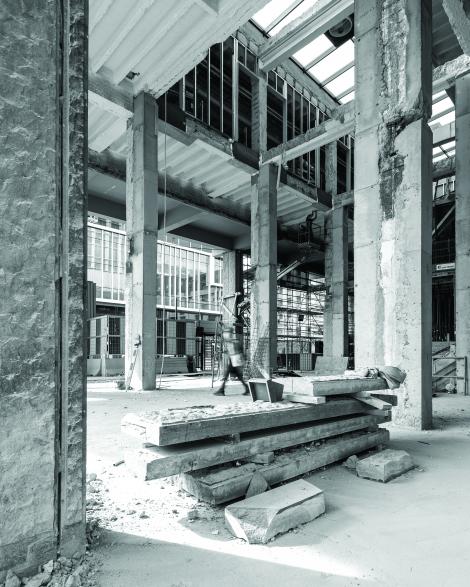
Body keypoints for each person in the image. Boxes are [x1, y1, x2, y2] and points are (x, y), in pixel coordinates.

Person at [214, 326, 249, 396]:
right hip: (233, 359)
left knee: (227, 375)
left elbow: (236, 350)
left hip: (235, 359)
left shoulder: (233, 341)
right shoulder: (232, 341)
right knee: (238, 376)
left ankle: (221, 390)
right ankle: (247, 388)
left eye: (226, 333)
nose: (225, 335)